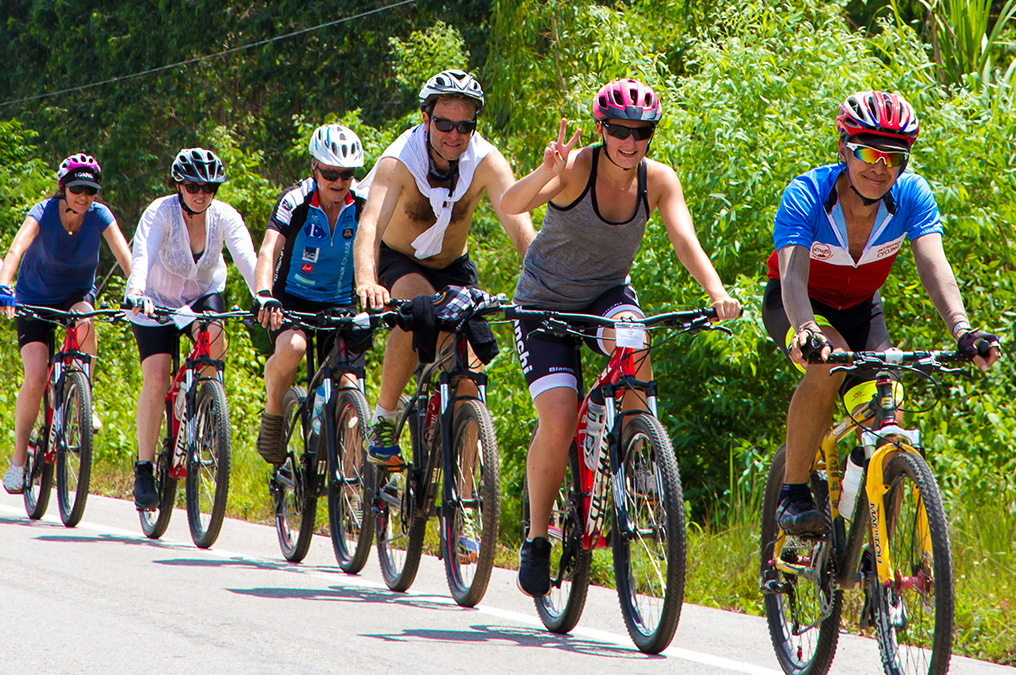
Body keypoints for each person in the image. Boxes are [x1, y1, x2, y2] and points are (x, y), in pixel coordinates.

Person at [499, 78, 741, 597]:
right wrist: (548, 171)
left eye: (642, 132)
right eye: (619, 131)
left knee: (635, 338)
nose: (630, 143)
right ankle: (538, 538)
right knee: (560, 416)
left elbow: (685, 241)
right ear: (601, 129)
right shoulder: (578, 168)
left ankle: (641, 454)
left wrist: (718, 292)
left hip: (605, 295)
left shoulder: (658, 181)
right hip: (544, 302)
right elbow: (509, 203)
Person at [763, 90, 1001, 537]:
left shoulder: (910, 196)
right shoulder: (807, 194)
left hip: (860, 308)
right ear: (843, 149)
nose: (880, 167)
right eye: (868, 152)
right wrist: (807, 331)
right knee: (827, 368)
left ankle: (878, 551)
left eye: (893, 157)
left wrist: (963, 330)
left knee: (887, 399)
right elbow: (793, 278)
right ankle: (792, 492)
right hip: (798, 305)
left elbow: (934, 266)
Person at [354, 69, 536, 468]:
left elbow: (521, 229)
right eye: (444, 123)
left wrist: (546, 280)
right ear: (426, 119)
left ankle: (468, 505)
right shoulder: (399, 161)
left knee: (469, 378)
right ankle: (383, 418)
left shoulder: (486, 161)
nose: (454, 134)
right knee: (417, 303)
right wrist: (366, 280)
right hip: (399, 260)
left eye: (465, 126)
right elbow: (369, 227)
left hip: (454, 266)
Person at [123, 148, 257, 509]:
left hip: (202, 295)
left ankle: (208, 410)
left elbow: (248, 259)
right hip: (156, 298)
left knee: (214, 339)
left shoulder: (225, 216)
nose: (201, 193)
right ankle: (145, 468)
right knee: (156, 376)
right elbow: (143, 255)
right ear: (178, 185)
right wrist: (136, 292)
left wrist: (265, 295)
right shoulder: (160, 212)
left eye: (209, 188)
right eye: (193, 185)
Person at [1, 154, 132, 494]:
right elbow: (16, 249)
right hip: (33, 298)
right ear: (63, 188)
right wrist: (4, 286)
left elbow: (123, 254)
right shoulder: (43, 212)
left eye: (90, 190)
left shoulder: (100, 215)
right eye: (77, 189)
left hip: (74, 295)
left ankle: (81, 394)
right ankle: (18, 461)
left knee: (86, 318)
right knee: (36, 376)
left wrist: (139, 289)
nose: (83, 197)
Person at [253, 124, 368, 464]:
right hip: (291, 299)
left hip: (339, 302)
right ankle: (274, 409)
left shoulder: (363, 203)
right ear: (315, 168)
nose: (338, 181)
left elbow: (380, 250)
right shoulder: (296, 200)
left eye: (346, 174)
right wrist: (264, 294)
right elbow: (268, 251)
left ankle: (351, 497)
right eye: (330, 172)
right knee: (294, 347)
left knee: (351, 392)